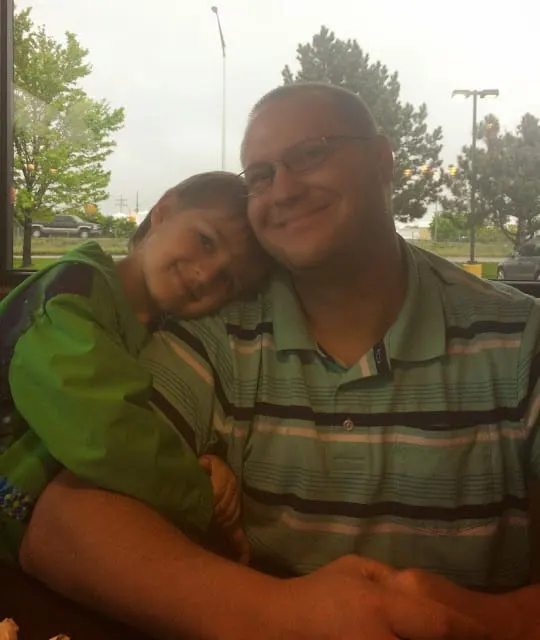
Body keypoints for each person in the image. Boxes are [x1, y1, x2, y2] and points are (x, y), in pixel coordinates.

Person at [16, 83, 540, 639]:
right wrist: (284, 614)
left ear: (383, 160)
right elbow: (63, 524)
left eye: (311, 153)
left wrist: (468, 621)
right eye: (261, 176)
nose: (283, 190)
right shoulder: (217, 332)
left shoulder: (519, 336)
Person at [0, 171, 266, 566]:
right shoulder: (72, 290)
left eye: (227, 280)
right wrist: (197, 492)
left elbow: (152, 414)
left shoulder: (166, 336)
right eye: (206, 241)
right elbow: (100, 427)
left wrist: (208, 462)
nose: (206, 275)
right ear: (163, 211)